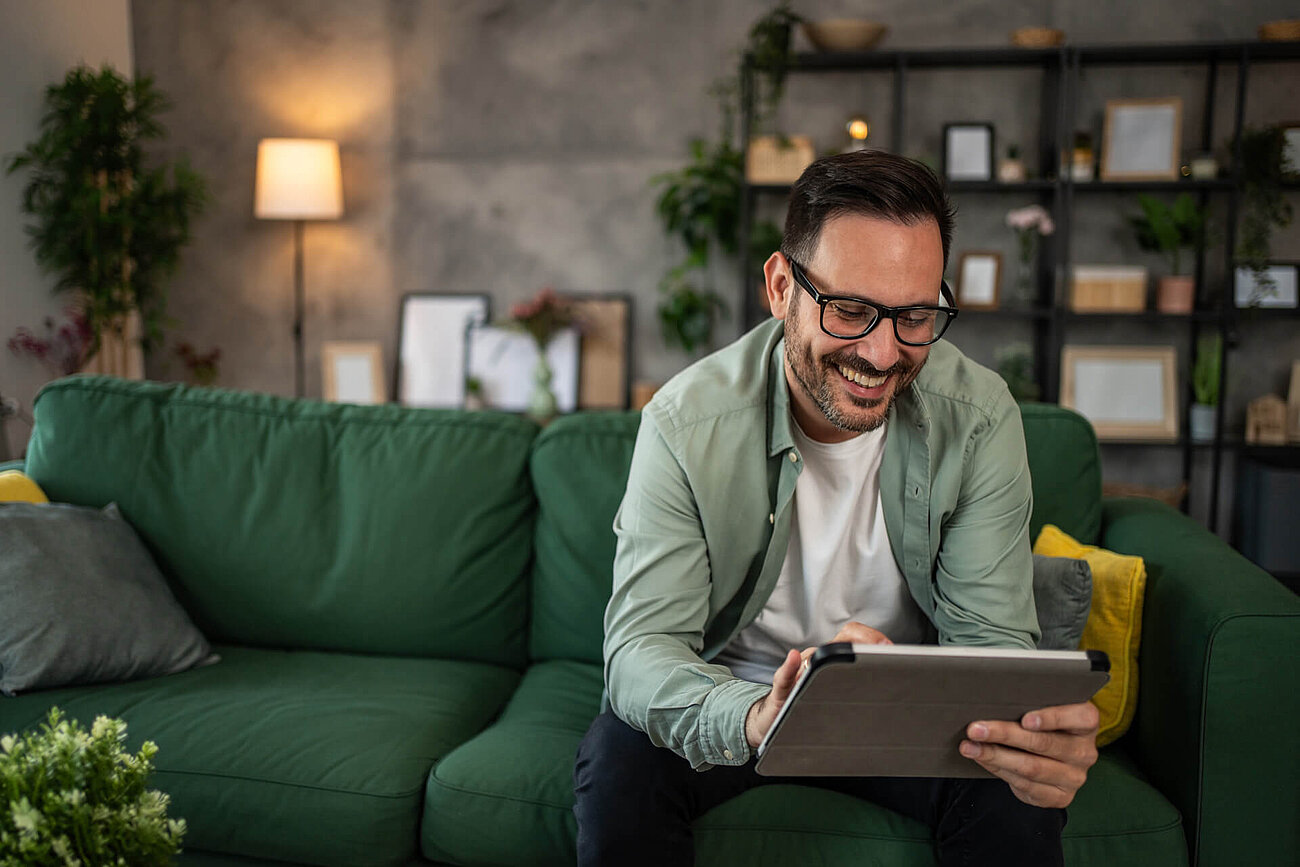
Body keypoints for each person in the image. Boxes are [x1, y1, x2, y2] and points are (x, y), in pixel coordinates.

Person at [573, 149, 1099, 866]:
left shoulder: (978, 418)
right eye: (851, 310)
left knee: (1013, 792)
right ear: (781, 285)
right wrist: (755, 715)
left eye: (915, 315)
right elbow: (638, 652)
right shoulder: (683, 423)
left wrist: (1029, 735)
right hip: (741, 701)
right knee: (619, 759)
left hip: (908, 715)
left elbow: (990, 649)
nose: (883, 353)